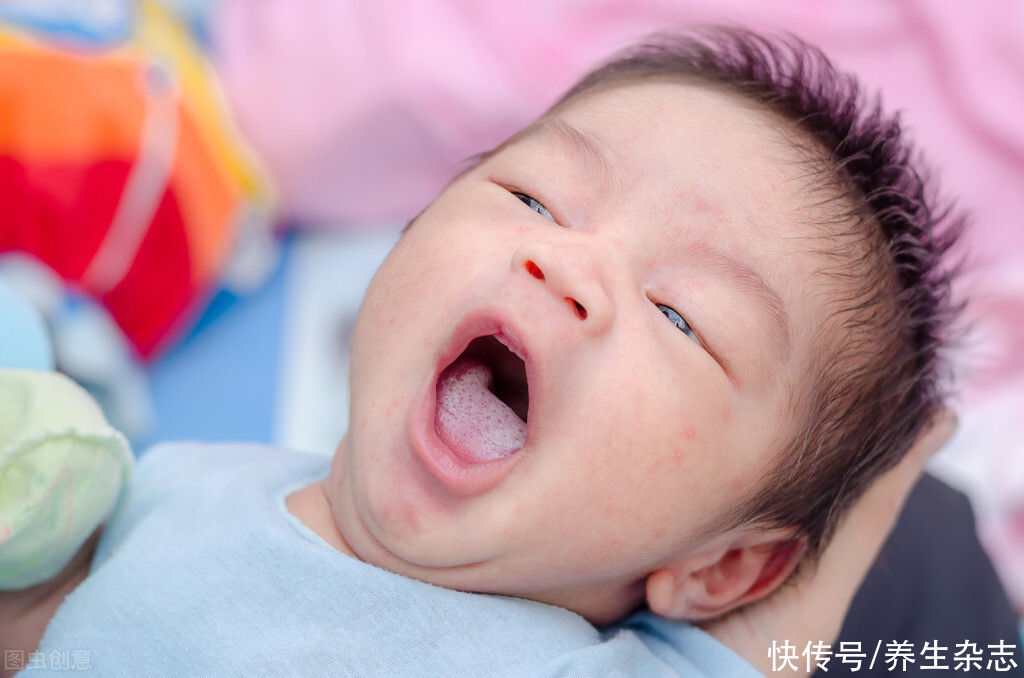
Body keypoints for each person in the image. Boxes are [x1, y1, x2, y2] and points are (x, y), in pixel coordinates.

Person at [2, 27, 965, 676]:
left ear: (719, 573)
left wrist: (892, 464)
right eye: (533, 199)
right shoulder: (183, 483)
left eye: (681, 316)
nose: (565, 263)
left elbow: (778, 648)